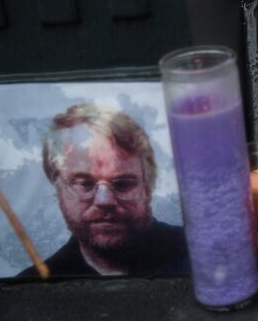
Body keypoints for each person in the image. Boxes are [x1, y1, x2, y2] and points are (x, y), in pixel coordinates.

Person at [18, 104, 188, 277]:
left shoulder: (199, 251)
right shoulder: (31, 284)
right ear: (58, 188)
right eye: (85, 183)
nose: (104, 200)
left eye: (123, 184)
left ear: (148, 187)